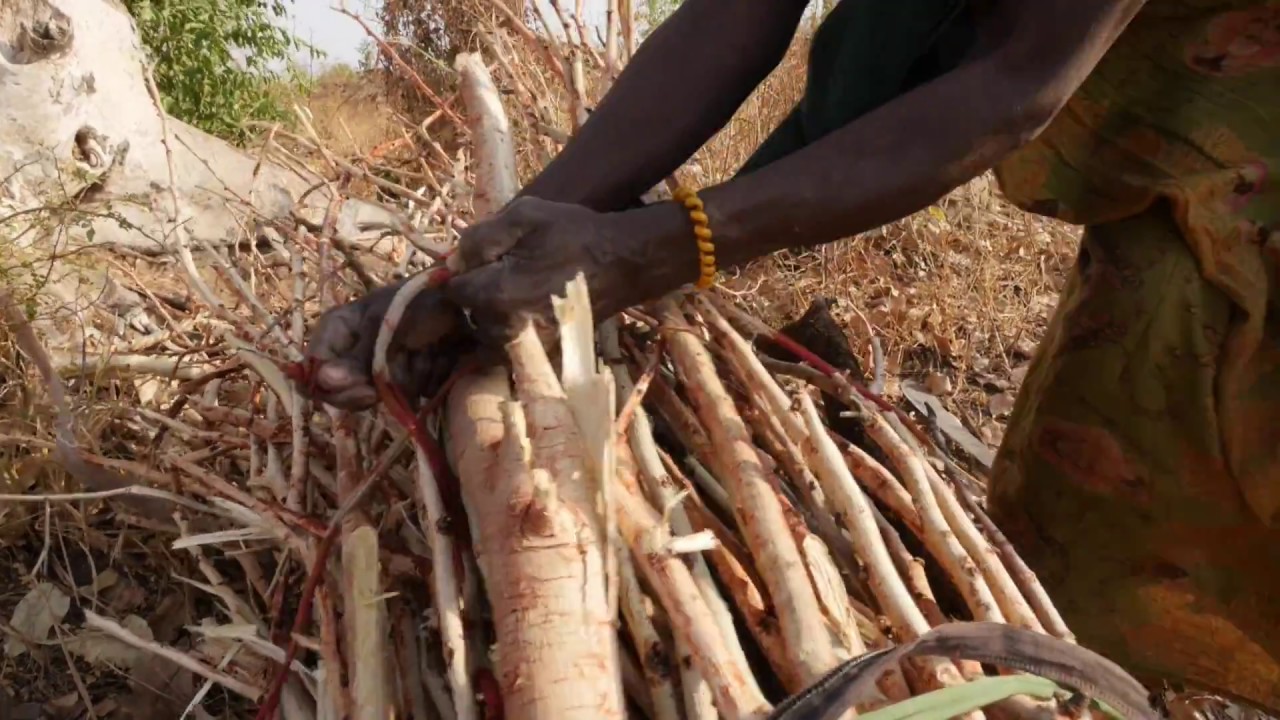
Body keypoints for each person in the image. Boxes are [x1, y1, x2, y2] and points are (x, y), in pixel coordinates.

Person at [304, 0, 1280, 709]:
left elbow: (1016, 80)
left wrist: (659, 247)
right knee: (1107, 503)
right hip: (1178, 169)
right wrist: (508, 250)